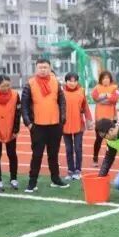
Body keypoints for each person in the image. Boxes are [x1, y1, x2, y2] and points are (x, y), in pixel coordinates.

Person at [21, 58, 69, 192]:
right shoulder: (30, 84)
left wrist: (62, 119)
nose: (43, 70)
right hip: (37, 126)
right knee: (37, 155)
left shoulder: (56, 82)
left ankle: (56, 179)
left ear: (50, 68)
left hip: (55, 126)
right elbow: (24, 106)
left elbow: (62, 101)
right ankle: (32, 182)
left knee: (53, 155)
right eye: (40, 67)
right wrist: (28, 123)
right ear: (36, 68)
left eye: (45, 67)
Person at [61, 73, 93, 180]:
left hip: (79, 124)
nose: (72, 83)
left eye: (75, 81)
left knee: (78, 148)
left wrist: (89, 119)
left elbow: (85, 106)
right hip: (65, 125)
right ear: (66, 81)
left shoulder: (81, 91)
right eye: (70, 81)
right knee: (68, 149)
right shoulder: (61, 92)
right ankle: (70, 170)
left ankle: (78, 170)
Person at [89, 70, 119, 165]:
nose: (106, 80)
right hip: (100, 118)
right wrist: (107, 96)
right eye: (104, 78)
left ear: (110, 79)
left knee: (111, 140)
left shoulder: (114, 88)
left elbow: (115, 99)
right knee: (98, 139)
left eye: (107, 78)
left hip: (111, 118)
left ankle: (109, 159)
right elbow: (95, 98)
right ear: (101, 79)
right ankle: (95, 158)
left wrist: (103, 98)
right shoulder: (97, 88)